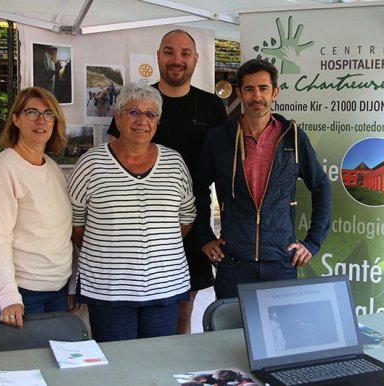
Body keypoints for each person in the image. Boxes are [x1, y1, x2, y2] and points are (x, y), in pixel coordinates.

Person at [107, 29, 227, 334]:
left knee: (182, 313)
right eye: (169, 52)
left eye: (185, 53)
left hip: (192, 225)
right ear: (158, 56)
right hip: (132, 232)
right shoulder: (138, 104)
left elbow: (225, 171)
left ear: (196, 59)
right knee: (130, 317)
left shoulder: (212, 107)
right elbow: (112, 158)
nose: (177, 60)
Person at [68, 82, 196, 342]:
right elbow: (75, 223)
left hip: (165, 286)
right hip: (108, 289)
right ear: (117, 116)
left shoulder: (174, 162)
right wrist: (112, 252)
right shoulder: (91, 163)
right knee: (117, 368)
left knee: (157, 370)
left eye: (150, 115)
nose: (142, 121)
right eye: (133, 112)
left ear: (157, 122)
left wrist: (157, 247)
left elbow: (186, 217)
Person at [195, 59, 331, 299]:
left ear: (275, 92)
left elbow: (320, 186)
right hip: (234, 262)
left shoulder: (294, 138)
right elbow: (198, 187)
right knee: (230, 334)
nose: (256, 96)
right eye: (249, 89)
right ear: (239, 93)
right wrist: (205, 236)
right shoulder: (219, 139)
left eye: (263, 88)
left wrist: (313, 242)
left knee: (279, 335)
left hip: (281, 261)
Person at [0, 87, 73, 328]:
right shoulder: (3, 170)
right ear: (16, 119)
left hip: (55, 292)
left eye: (49, 114)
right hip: (20, 296)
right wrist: (8, 297)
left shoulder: (51, 167)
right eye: (32, 112)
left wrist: (69, 284)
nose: (41, 120)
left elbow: (60, 232)